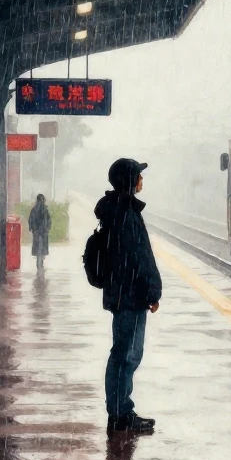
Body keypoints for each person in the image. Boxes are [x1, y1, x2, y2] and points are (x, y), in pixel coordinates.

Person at [94, 158, 162, 434]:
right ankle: (122, 414)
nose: (142, 181)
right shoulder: (126, 214)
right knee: (127, 356)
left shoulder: (114, 210)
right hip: (131, 296)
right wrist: (152, 292)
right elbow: (139, 258)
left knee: (120, 354)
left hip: (120, 293)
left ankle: (119, 411)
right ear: (129, 181)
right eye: (139, 177)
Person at [28, 193, 52, 272]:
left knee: (38, 247)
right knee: (42, 247)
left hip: (37, 231)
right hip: (43, 231)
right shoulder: (45, 209)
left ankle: (39, 262)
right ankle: (40, 262)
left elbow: (31, 219)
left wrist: (32, 228)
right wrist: (47, 228)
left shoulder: (34, 209)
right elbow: (48, 220)